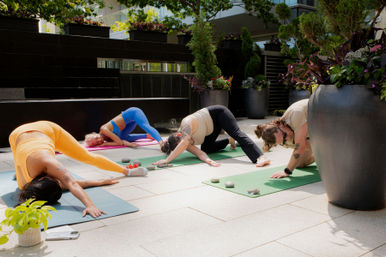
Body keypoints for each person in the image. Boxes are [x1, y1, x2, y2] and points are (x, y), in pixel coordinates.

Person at [9, 121, 147, 217]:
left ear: (45, 178)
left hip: (45, 129)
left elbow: (71, 183)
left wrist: (90, 205)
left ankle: (127, 171)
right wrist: (100, 182)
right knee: (22, 168)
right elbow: (66, 184)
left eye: (57, 182)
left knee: (85, 156)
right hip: (15, 136)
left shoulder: (49, 162)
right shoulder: (26, 186)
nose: (60, 182)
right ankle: (19, 168)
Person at [153, 105, 270, 167]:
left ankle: (260, 157)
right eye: (183, 147)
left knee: (236, 133)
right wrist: (209, 161)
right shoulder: (185, 144)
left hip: (219, 114)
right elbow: (200, 153)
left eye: (183, 143)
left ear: (179, 134)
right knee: (206, 148)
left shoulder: (186, 123)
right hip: (211, 128)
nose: (186, 144)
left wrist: (167, 160)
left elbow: (184, 142)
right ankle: (229, 140)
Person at [254, 99, 314, 178]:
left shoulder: (296, 115)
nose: (287, 138)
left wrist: (287, 171)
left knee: (306, 149)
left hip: (330, 118)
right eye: (283, 141)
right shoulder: (282, 132)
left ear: (278, 124)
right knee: (299, 163)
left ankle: (328, 154)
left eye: (285, 135)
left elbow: (300, 147)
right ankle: (321, 155)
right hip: (316, 128)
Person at [84, 107, 164, 150]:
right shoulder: (106, 138)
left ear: (95, 133)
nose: (99, 140)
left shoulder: (104, 130)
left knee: (145, 126)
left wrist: (105, 144)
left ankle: (161, 143)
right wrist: (128, 144)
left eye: (96, 138)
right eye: (97, 143)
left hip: (134, 112)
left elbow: (119, 143)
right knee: (123, 137)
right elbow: (122, 141)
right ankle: (147, 136)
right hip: (129, 123)